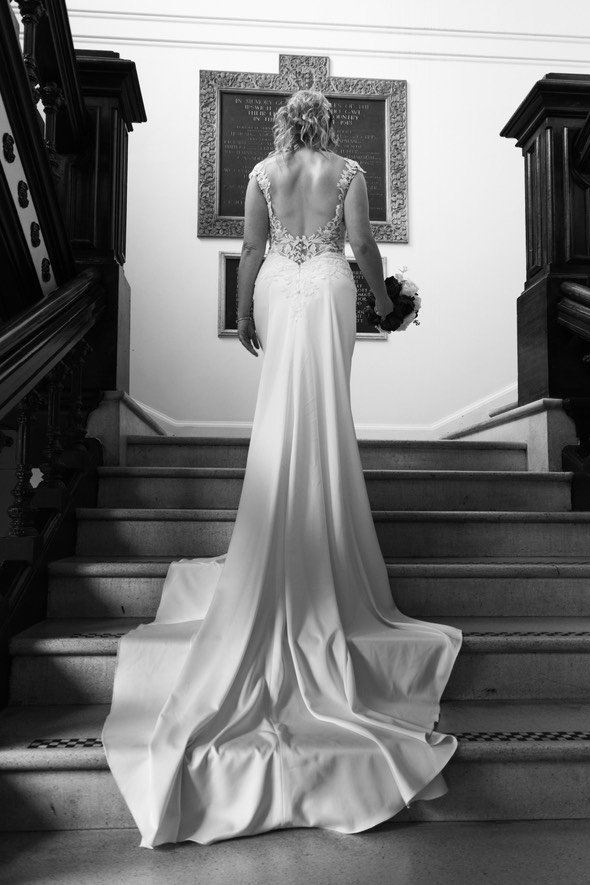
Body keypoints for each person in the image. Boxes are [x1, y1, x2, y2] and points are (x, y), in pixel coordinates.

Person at [102, 90, 462, 848]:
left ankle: (285, 524)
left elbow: (256, 252)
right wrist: (384, 301)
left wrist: (242, 314)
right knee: (327, 409)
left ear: (280, 124)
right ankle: (323, 523)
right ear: (326, 124)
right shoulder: (352, 170)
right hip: (329, 286)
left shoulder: (263, 173)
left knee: (281, 410)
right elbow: (362, 247)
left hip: (279, 292)